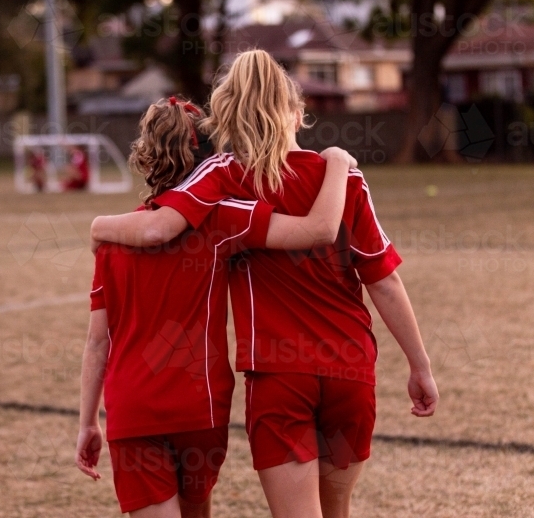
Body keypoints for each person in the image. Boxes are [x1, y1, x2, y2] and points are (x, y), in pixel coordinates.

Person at [90, 51, 439, 518]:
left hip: (279, 376)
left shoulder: (225, 175)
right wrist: (420, 366)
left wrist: (98, 227)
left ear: (228, 115)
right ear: (296, 113)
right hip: (350, 371)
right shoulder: (345, 177)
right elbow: (384, 280)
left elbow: (159, 225)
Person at [77, 96, 359, 518]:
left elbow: (98, 342)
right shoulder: (223, 218)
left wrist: (86, 422)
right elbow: (315, 229)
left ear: (145, 156)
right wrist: (336, 163)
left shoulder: (113, 239)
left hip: (131, 408)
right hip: (200, 407)